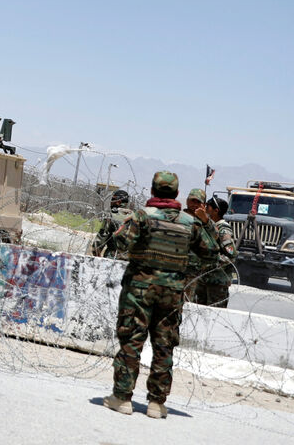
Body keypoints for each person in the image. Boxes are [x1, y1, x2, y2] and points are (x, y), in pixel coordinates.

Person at [103, 171, 217, 419]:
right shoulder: (190, 223)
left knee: (132, 340)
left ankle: (122, 398)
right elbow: (211, 252)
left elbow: (119, 243)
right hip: (172, 293)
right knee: (164, 346)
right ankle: (157, 404)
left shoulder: (142, 217)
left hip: (139, 291)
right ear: (177, 194)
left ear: (153, 191)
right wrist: (205, 224)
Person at [193, 195, 237, 308]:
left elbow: (231, 255)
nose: (204, 209)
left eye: (207, 207)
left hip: (217, 283)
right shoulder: (208, 226)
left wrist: (212, 264)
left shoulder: (223, 229)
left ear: (216, 211)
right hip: (204, 280)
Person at [89, 189, 130, 258]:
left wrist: (96, 254)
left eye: (113, 200)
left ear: (118, 202)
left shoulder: (112, 216)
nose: (111, 202)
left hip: (114, 257)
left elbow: (100, 240)